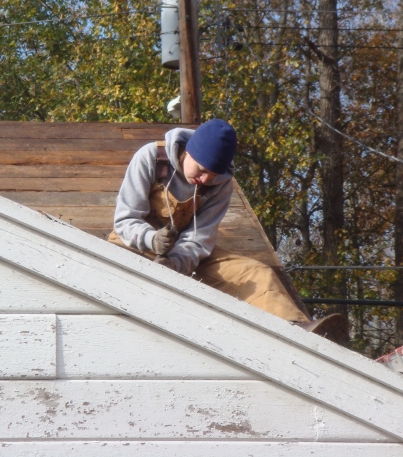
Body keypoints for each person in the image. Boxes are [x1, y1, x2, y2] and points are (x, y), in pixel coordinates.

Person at [107, 119, 349, 343]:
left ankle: (298, 330)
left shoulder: (219, 184)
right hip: (133, 245)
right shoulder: (151, 158)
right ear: (188, 151)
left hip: (182, 256)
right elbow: (126, 218)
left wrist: (174, 264)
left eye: (212, 175)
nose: (205, 179)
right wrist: (151, 239)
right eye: (201, 169)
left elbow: (198, 240)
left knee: (257, 272)